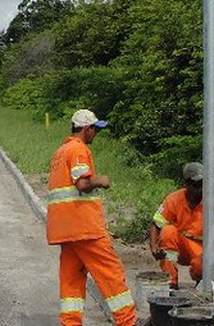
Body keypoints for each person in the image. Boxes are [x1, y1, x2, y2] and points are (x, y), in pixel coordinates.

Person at [46, 109, 138, 326]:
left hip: (65, 230)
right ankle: (128, 321)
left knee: (72, 279)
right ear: (86, 129)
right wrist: (101, 180)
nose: (96, 133)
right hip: (84, 228)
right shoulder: (78, 150)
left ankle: (71, 322)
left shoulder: (61, 151)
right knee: (110, 272)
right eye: (95, 129)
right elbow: (83, 184)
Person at [148, 161, 214, 289]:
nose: (200, 190)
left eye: (202, 185)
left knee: (202, 264)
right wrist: (153, 247)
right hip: (180, 244)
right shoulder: (174, 199)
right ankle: (171, 281)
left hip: (201, 248)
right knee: (168, 231)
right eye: (196, 185)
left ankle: (201, 281)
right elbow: (155, 224)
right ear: (186, 184)